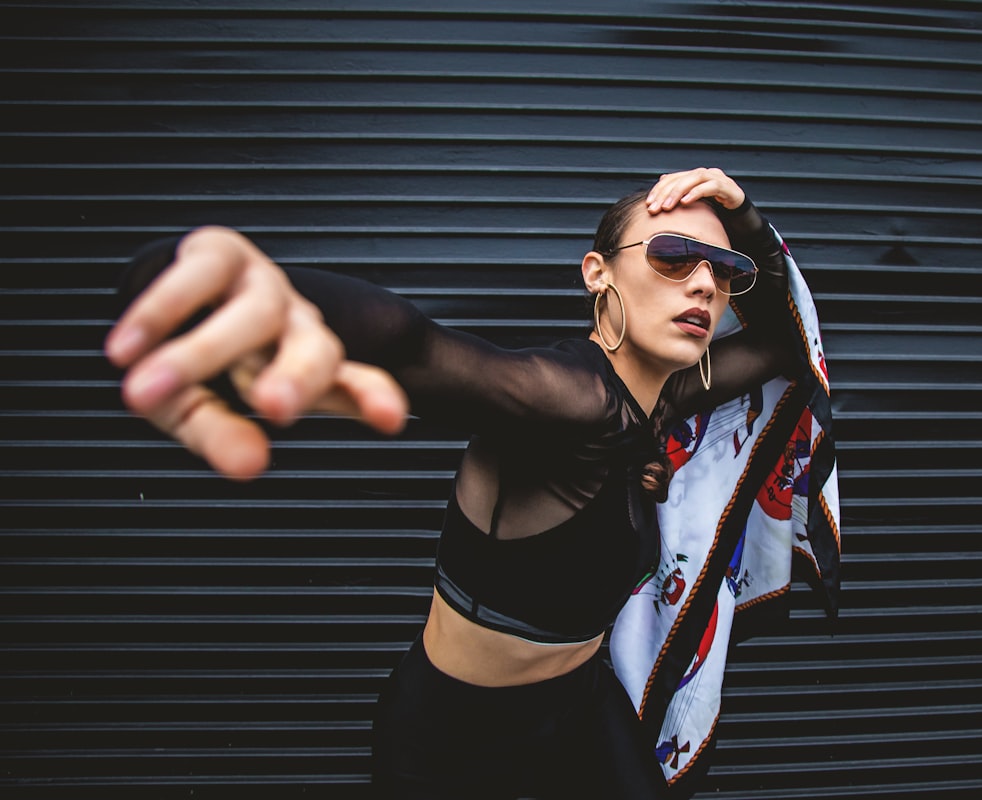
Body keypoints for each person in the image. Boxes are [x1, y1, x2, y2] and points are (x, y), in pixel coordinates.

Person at [105, 168, 797, 799]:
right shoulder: (568, 398)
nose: (705, 283)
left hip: (583, 704)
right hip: (454, 738)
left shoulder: (668, 397)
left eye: (725, 268)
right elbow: (416, 345)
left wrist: (747, 217)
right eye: (673, 256)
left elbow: (787, 342)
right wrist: (226, 285)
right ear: (597, 274)